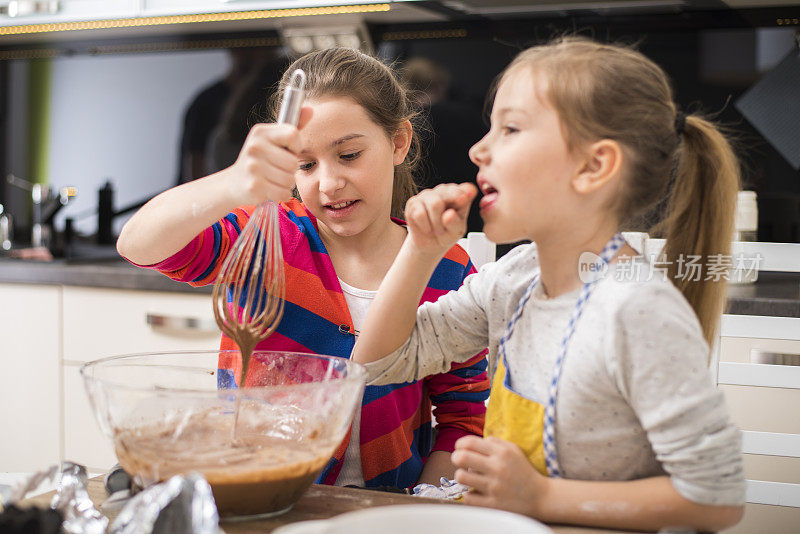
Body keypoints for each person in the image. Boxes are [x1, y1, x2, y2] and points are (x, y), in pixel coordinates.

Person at [352, 37, 745, 531]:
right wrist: (419, 251)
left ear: (593, 166)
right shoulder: (514, 279)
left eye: (510, 128)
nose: (478, 148)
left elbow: (715, 498)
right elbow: (374, 365)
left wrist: (540, 496)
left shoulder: (636, 310)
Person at [117, 47, 489, 490]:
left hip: (386, 507)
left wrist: (420, 508)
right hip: (261, 496)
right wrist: (234, 182)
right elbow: (138, 244)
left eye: (349, 155)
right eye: (306, 164)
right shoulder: (264, 235)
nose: (328, 183)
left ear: (398, 142)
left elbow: (462, 417)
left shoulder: (442, 264)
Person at [400, 57, 486, 234]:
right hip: (469, 208)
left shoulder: (400, 128)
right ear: (440, 86)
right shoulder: (468, 115)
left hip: (420, 214)